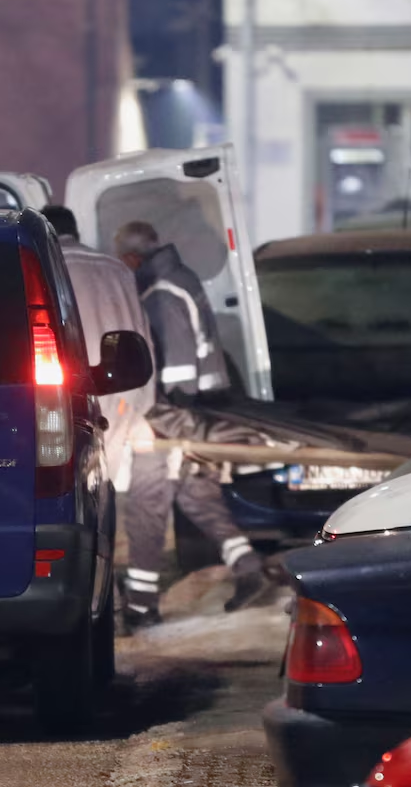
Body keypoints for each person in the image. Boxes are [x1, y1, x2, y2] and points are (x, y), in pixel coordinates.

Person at [113, 220, 267, 632]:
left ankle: (142, 605)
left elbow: (179, 369)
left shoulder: (161, 294)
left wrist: (164, 420)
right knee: (197, 494)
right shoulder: (180, 278)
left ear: (132, 258)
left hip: (174, 416)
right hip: (197, 412)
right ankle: (249, 567)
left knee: (147, 503)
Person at [42, 206, 154, 488]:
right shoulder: (117, 269)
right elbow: (142, 335)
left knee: (69, 486)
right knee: (104, 484)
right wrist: (144, 405)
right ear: (75, 232)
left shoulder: (45, 264)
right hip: (121, 388)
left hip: (66, 392)